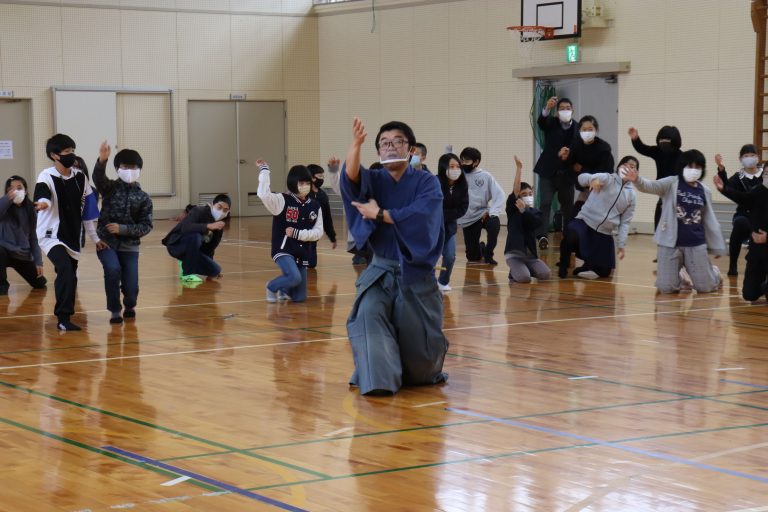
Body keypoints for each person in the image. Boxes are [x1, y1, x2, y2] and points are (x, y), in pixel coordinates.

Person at [340, 117, 448, 396]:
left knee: (420, 359)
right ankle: (378, 379)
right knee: (367, 314)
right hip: (381, 270)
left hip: (415, 274)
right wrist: (356, 144)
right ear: (378, 151)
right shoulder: (374, 179)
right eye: (384, 144)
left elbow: (423, 214)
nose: (390, 148)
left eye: (397, 141)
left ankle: (417, 371)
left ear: (410, 149)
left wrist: (381, 214)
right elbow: (350, 179)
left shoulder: (427, 182)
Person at [625, 150, 725, 293]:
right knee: (666, 288)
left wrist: (717, 245)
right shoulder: (671, 183)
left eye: (698, 167)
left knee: (706, 288)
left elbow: (709, 219)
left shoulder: (705, 190)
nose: (694, 170)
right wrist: (636, 179)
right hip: (670, 244)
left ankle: (713, 273)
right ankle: (680, 275)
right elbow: (650, 186)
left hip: (695, 243)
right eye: (690, 166)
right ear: (682, 167)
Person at [33, 133, 100, 331]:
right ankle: (63, 318)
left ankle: (65, 316)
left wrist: (95, 238)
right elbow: (43, 194)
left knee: (71, 274)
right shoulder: (46, 176)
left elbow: (88, 211)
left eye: (72, 151)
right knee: (65, 270)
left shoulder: (80, 178)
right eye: (67, 152)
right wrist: (43, 204)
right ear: (54, 155)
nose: (71, 155)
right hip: (50, 234)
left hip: (72, 234)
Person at [92, 142, 153, 324]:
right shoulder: (109, 188)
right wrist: (102, 160)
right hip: (106, 243)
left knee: (131, 285)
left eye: (133, 167)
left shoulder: (144, 198)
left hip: (130, 247)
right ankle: (114, 310)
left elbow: (146, 226)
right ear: (118, 169)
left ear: (139, 169)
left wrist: (123, 229)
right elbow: (98, 177)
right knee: (112, 270)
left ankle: (129, 304)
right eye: (124, 167)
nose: (129, 170)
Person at [558, 156, 638, 279]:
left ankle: (588, 265)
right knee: (570, 237)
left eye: (633, 167)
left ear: (636, 173)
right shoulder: (607, 178)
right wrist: (591, 181)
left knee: (604, 273)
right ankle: (564, 264)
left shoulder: (631, 195)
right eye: (626, 165)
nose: (629, 168)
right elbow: (581, 178)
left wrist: (621, 244)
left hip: (603, 232)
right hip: (585, 221)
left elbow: (625, 222)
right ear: (619, 167)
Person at [257, 160, 323, 303]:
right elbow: (263, 194)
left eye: (307, 183)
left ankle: (284, 289)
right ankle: (272, 286)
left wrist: (298, 234)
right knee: (294, 277)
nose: (304, 186)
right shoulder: (282, 200)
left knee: (299, 298)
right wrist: (264, 171)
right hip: (284, 249)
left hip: (302, 251)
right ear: (293, 184)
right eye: (301, 183)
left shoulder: (315, 206)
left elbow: (318, 232)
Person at [713, 167, 768, 303]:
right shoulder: (759, 191)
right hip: (758, 253)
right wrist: (723, 189)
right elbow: (742, 197)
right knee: (749, 295)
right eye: (767, 173)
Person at [533, 96, 578, 249]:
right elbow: (541, 122)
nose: (565, 111)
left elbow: (580, 149)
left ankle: (568, 237)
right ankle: (542, 236)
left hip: (567, 174)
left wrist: (570, 153)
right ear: (557, 112)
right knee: (545, 203)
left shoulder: (578, 128)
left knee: (567, 207)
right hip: (548, 171)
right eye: (562, 108)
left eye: (568, 108)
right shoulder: (551, 123)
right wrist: (546, 109)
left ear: (573, 110)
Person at [714, 145, 764, 276]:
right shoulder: (739, 176)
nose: (749, 158)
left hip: (763, 215)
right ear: (740, 159)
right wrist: (721, 169)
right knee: (740, 223)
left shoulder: (765, 173)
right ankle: (732, 266)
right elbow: (727, 188)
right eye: (746, 156)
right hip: (744, 214)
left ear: (758, 158)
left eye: (752, 155)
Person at [161, 195, 230, 282]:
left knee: (216, 270)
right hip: (176, 245)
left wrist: (210, 267)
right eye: (219, 207)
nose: (221, 211)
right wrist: (208, 226)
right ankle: (187, 274)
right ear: (212, 205)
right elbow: (185, 228)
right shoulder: (198, 211)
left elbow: (210, 248)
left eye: (225, 210)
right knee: (195, 236)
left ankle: (187, 261)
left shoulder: (219, 226)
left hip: (193, 251)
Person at [456, 147, 505, 265]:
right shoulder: (458, 176)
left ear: (476, 162)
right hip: (468, 218)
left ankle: (489, 254)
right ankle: (481, 248)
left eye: (466, 161)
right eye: (461, 160)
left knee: (494, 223)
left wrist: (492, 212)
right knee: (472, 257)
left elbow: (500, 195)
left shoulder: (485, 176)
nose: (463, 163)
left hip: (483, 213)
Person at [558, 114, 615, 218]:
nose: (587, 132)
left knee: (595, 221)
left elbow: (606, 172)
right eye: (584, 129)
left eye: (590, 129)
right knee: (574, 219)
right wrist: (564, 158)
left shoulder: (604, 148)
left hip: (601, 191)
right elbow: (569, 167)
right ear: (579, 131)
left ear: (596, 130)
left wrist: (582, 169)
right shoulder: (576, 145)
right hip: (584, 189)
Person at [504, 156, 550, 283]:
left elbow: (534, 222)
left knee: (545, 274)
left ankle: (526, 269)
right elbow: (516, 190)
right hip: (514, 255)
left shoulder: (535, 212)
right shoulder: (512, 210)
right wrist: (519, 168)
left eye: (530, 194)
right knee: (524, 279)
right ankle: (514, 273)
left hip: (530, 256)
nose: (528, 196)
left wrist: (525, 210)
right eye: (524, 195)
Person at [628, 125, 682, 230]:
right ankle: (658, 234)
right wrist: (635, 139)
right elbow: (642, 148)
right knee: (659, 217)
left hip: (676, 191)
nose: (663, 142)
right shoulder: (658, 151)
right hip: (662, 188)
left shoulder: (681, 155)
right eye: (661, 139)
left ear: (674, 141)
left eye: (667, 140)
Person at [0, 175, 47, 295]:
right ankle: (2, 286)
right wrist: (7, 199)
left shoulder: (31, 209)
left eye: (19, 188)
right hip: (3, 251)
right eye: (11, 188)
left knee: (40, 283)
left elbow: (33, 238)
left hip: (21, 254)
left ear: (25, 191)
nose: (15, 191)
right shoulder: (4, 205)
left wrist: (38, 261)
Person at [436, 152, 468, 292]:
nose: (455, 169)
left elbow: (462, 208)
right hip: (432, 227)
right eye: (451, 166)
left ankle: (443, 281)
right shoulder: (434, 182)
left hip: (449, 228)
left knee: (449, 256)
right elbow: (432, 206)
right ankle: (426, 282)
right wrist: (446, 214)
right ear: (443, 167)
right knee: (429, 257)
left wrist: (445, 215)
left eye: (457, 166)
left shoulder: (462, 185)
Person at [306, 163, 337, 268]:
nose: (322, 178)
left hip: (314, 233)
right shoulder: (302, 194)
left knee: (312, 264)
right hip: (300, 232)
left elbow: (327, 218)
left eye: (323, 176)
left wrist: (332, 237)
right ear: (312, 178)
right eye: (320, 176)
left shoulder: (322, 195)